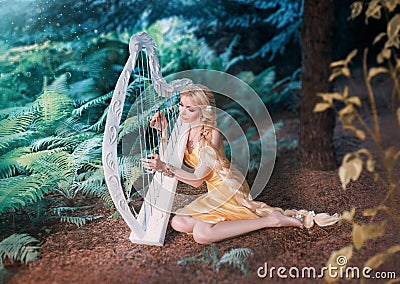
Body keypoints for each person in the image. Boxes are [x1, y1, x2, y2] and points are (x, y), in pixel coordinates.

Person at [141, 84, 338, 244]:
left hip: (227, 187)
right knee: (178, 222)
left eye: (190, 109)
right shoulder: (186, 130)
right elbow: (173, 155)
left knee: (201, 235)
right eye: (181, 105)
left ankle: (269, 221)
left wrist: (164, 168)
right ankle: (226, 219)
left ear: (203, 111)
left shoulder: (213, 134)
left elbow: (195, 180)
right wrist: (163, 130)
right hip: (213, 190)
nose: (183, 112)